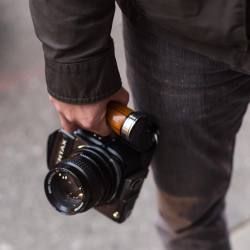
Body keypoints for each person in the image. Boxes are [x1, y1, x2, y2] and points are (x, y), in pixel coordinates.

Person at [29, 1, 250, 249]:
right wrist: (77, 69)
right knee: (190, 219)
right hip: (179, 28)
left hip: (180, 28)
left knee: (190, 222)